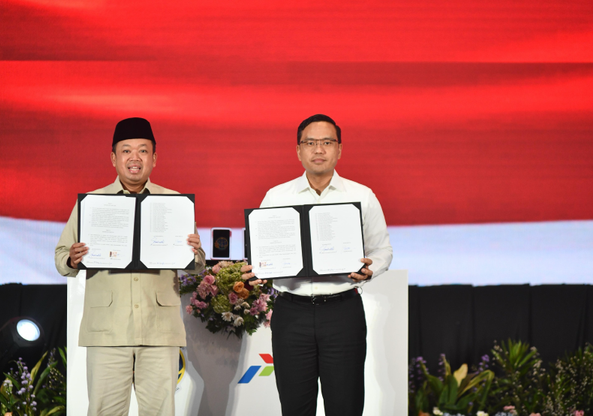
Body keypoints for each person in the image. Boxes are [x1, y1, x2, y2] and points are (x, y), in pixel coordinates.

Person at [242, 114, 393, 416]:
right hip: (291, 314)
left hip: (342, 312)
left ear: (339, 149)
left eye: (327, 142)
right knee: (295, 407)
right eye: (310, 143)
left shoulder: (362, 195)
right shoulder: (276, 197)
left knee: (345, 405)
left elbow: (382, 250)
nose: (319, 150)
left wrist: (369, 269)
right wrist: (257, 271)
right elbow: (260, 253)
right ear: (299, 151)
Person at [55, 117, 205, 416]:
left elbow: (196, 266)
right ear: (113, 158)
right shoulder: (93, 203)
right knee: (104, 411)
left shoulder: (174, 203)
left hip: (158, 329)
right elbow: (62, 259)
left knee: (160, 412)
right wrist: (73, 258)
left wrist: (196, 252)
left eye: (143, 151)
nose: (134, 158)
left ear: (154, 158)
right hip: (107, 330)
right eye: (126, 151)